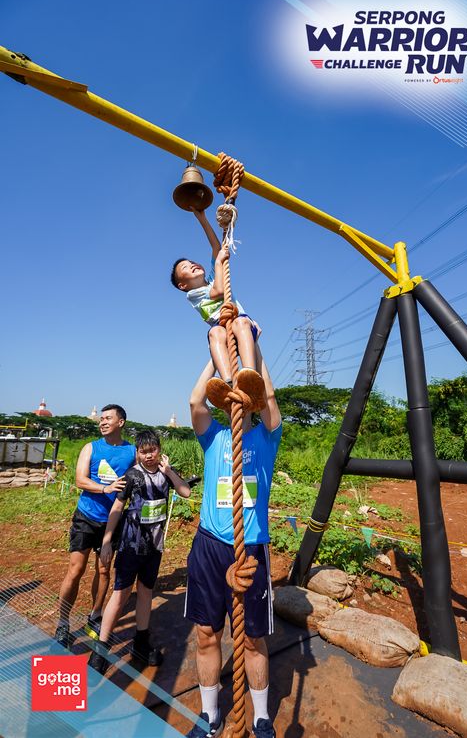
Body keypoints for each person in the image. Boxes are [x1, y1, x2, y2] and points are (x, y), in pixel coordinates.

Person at [186, 345, 282, 738]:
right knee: (206, 634)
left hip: (251, 548)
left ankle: (261, 718)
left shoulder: (267, 437)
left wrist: (252, 349)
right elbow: (195, 401)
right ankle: (209, 715)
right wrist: (218, 352)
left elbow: (270, 398)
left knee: (254, 638)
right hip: (209, 547)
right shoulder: (214, 437)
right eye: (229, 397)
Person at [88, 429, 191, 674]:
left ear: (159, 450)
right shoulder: (132, 476)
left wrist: (169, 471)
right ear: (137, 453)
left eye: (152, 450)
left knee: (146, 592)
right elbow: (117, 507)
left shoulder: (166, 474)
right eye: (143, 452)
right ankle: (101, 648)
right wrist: (107, 541)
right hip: (130, 546)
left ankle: (141, 642)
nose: (149, 456)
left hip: (154, 547)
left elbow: (186, 491)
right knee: (121, 594)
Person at [55, 404, 136, 648]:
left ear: (121, 422)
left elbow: (143, 472)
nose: (102, 422)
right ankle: (63, 622)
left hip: (112, 521)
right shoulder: (90, 448)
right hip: (86, 517)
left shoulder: (131, 451)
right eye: (101, 419)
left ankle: (95, 615)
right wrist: (105, 488)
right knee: (76, 570)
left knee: (103, 571)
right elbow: (80, 480)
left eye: (108, 418)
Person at [170, 208, 265, 410]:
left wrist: (202, 218)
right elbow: (219, 291)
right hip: (224, 337)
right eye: (185, 267)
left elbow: (216, 246)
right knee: (214, 332)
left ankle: (249, 378)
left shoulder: (215, 276)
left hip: (242, 329)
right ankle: (228, 383)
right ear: (182, 285)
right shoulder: (193, 295)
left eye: (192, 262)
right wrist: (220, 261)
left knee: (240, 322)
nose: (192, 264)